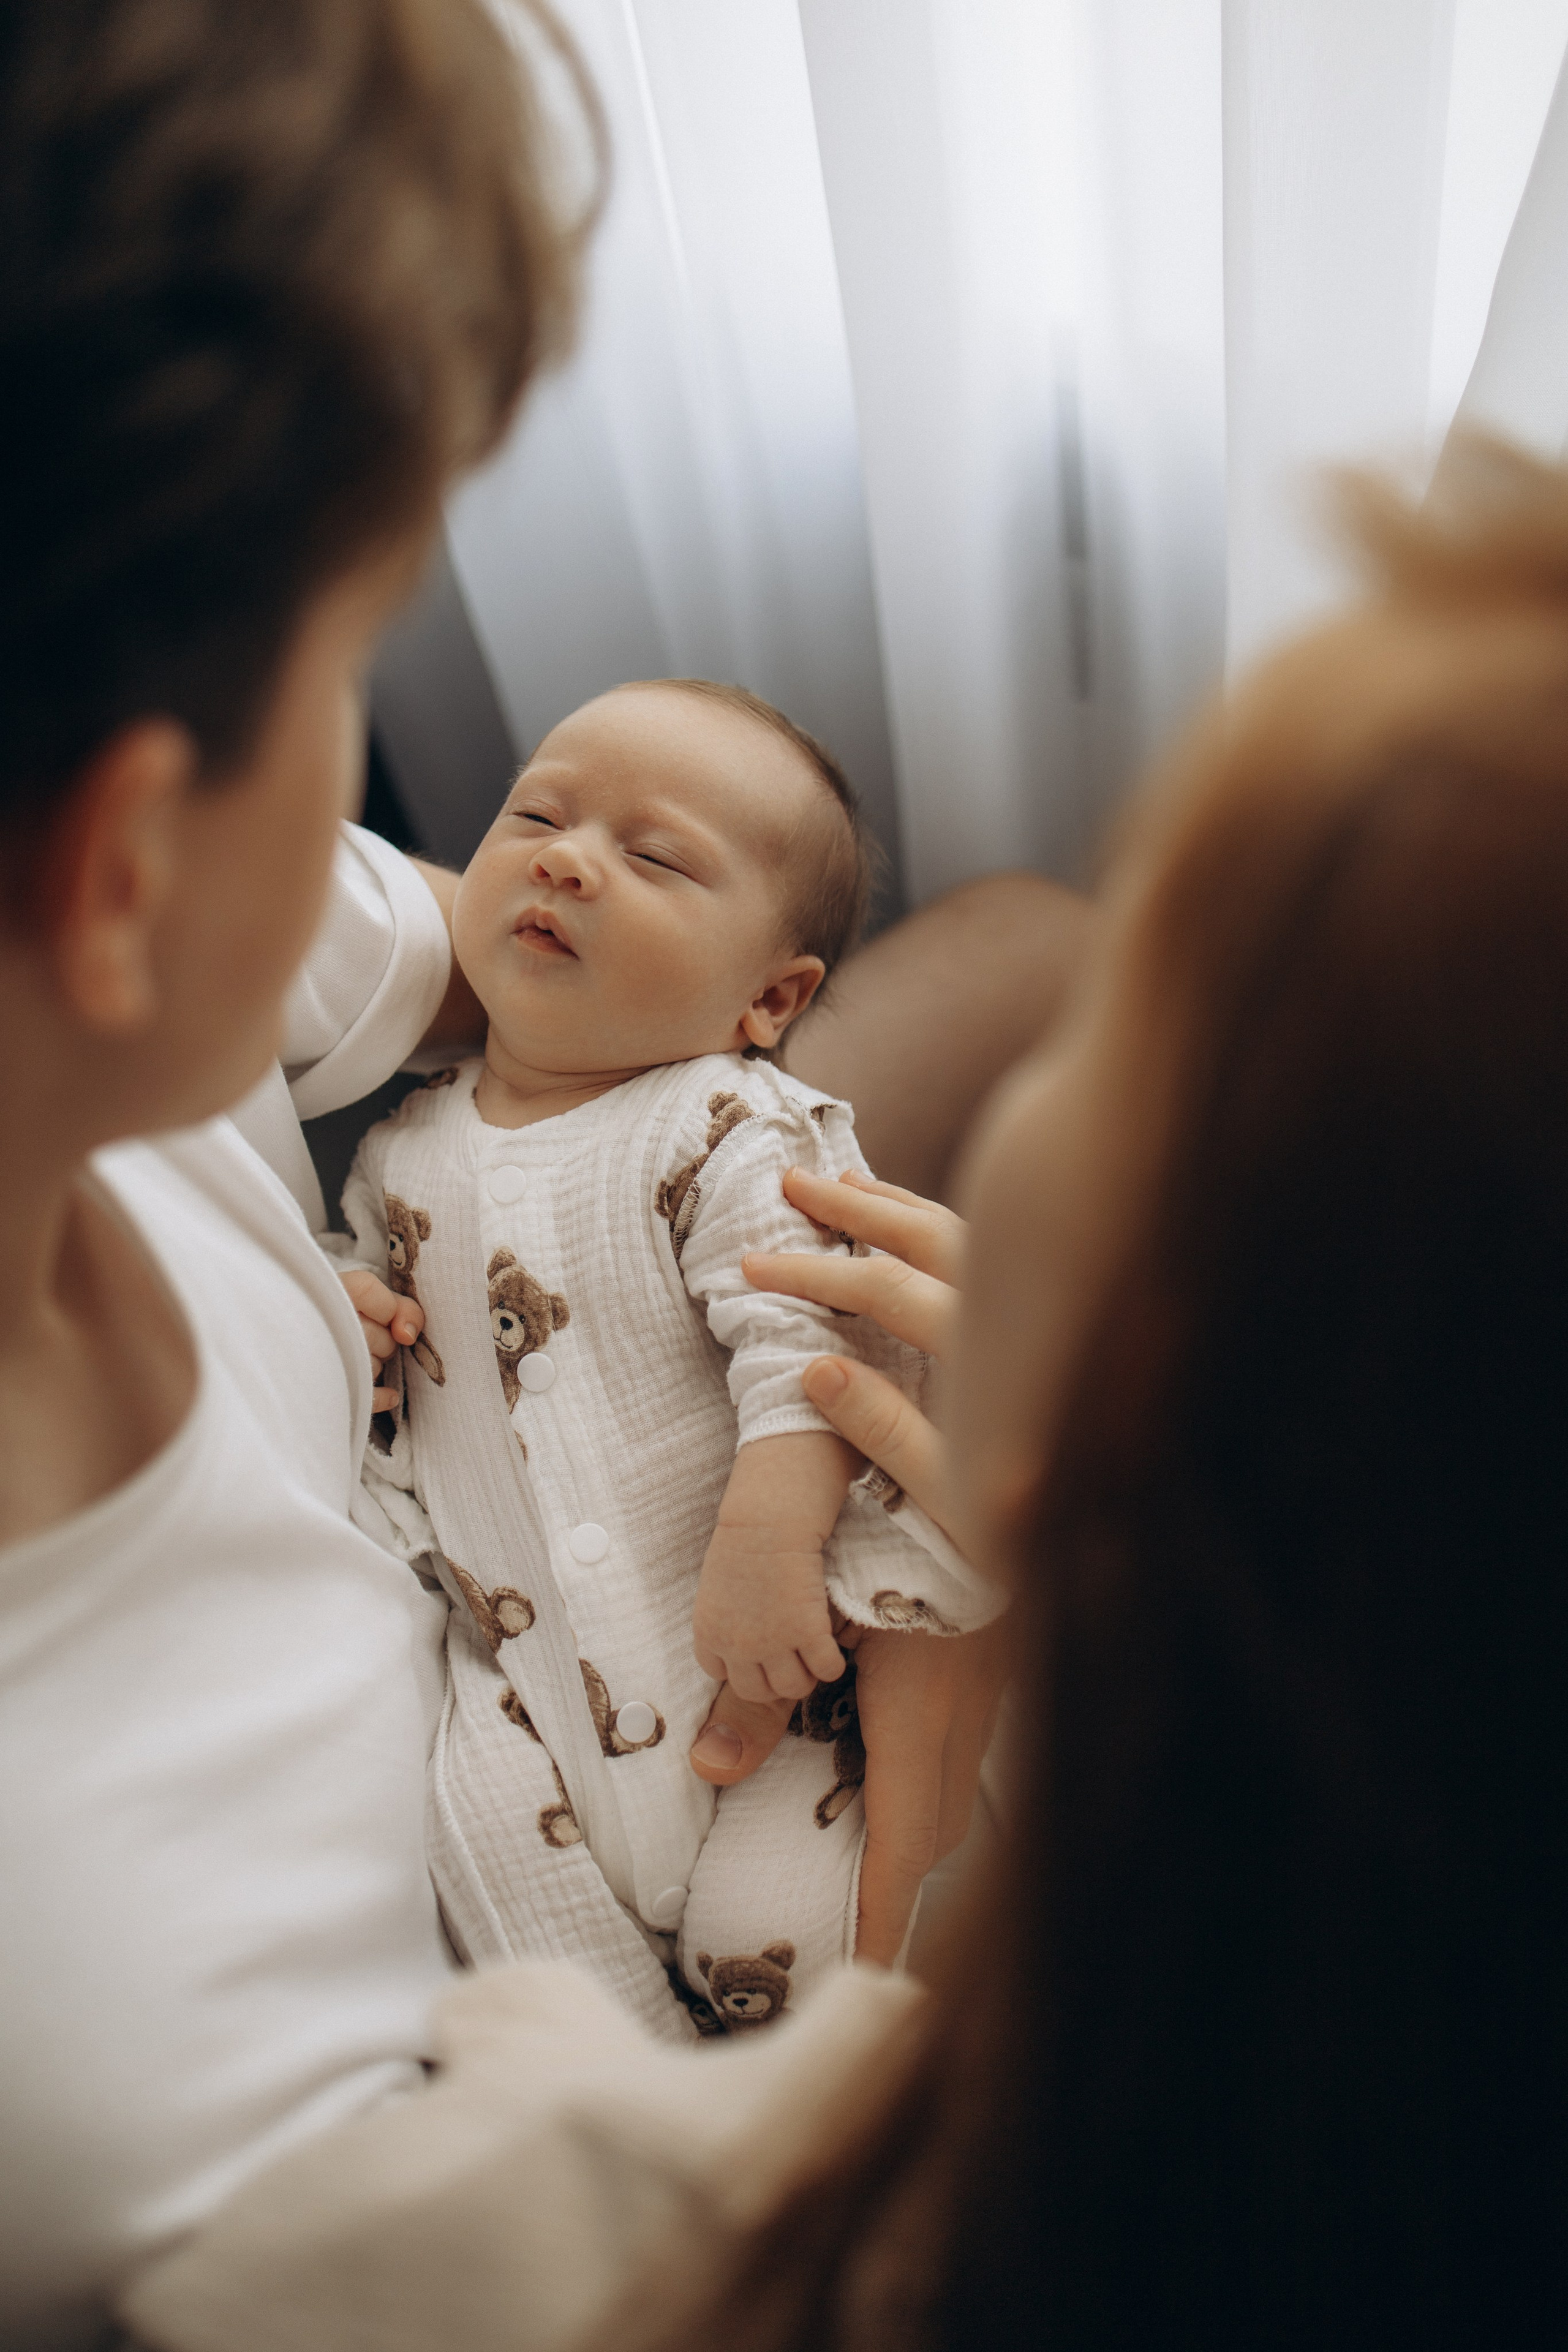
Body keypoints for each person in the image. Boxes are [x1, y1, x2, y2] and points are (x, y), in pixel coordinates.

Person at [123, 443, 1568, 2352]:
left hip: (688, 1806)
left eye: (1128, 1024)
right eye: (540, 813)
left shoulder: (640, 2194)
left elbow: (238, 2279)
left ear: (1159, 1324)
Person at [0, 3, 1061, 2340]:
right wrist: (1014, 1621)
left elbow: (590, 1039)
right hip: (535, 1798)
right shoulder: (140, 2085)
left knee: (1032, 942)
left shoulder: (145, 956)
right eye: (349, 677)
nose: (476, 854)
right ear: (126, 870)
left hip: (649, 1463)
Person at [331, 677, 1000, 2041]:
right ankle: (638, 2094)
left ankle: (801, 2087)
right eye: (536, 815)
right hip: (517, 1700)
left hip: (767, 1683)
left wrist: (772, 1531)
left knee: (808, 1938)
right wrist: (348, 1306)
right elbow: (370, 1308)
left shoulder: (730, 1125)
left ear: (770, 997)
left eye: (654, 858)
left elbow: (811, 1338)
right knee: (493, 1881)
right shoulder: (401, 1149)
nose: (566, 860)